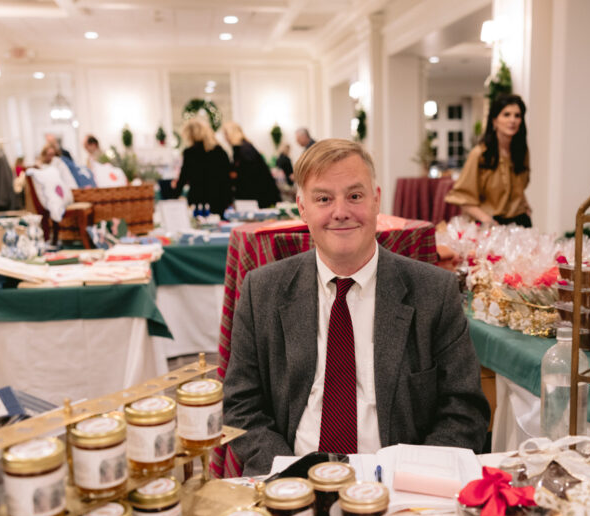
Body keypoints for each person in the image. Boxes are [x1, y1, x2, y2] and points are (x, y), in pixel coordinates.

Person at [223, 139, 490, 475]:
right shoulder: (262, 291)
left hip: (400, 484)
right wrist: (289, 476)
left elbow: (464, 410)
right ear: (302, 207)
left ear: (376, 199)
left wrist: (410, 477)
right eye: (324, 199)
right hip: (290, 479)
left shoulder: (434, 293)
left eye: (354, 196)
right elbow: (241, 405)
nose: (341, 212)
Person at [445, 93, 531, 227]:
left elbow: (518, 188)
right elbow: (461, 196)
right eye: (506, 114)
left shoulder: (521, 152)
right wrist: (486, 220)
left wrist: (526, 208)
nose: (512, 120)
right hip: (492, 224)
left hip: (520, 223)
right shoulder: (480, 154)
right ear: (494, 120)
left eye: (517, 115)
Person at [170, 118, 232, 216]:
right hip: (218, 200)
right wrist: (229, 200)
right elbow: (227, 178)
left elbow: (183, 177)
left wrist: (173, 199)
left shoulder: (190, 153)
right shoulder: (220, 151)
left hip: (198, 201)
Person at [223, 121, 280, 208]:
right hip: (258, 196)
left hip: (257, 198)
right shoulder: (244, 147)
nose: (225, 138)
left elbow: (250, 176)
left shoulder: (244, 150)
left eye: (225, 134)